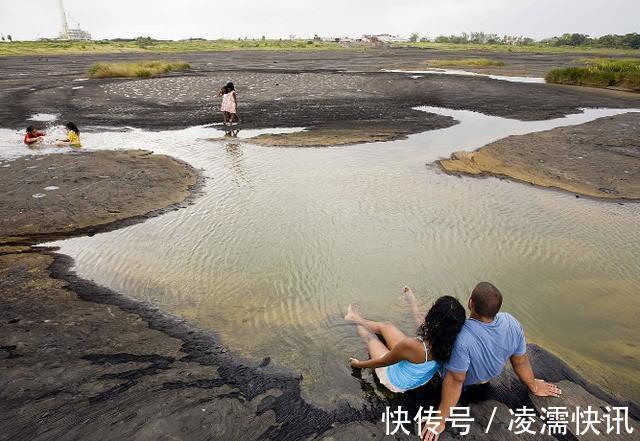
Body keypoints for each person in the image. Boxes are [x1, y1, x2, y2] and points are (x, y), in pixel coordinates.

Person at [422, 282, 562, 441]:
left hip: (466, 381)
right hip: (487, 376)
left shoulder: (462, 336)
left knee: (426, 332)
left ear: (470, 303)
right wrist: (534, 385)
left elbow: (455, 380)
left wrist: (440, 419)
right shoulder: (511, 322)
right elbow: (520, 361)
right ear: (497, 308)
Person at [346, 287, 466, 393]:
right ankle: (356, 318)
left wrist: (358, 364)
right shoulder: (449, 340)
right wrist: (412, 301)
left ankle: (354, 320)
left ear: (434, 317)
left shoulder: (412, 346)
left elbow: (384, 362)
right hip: (417, 374)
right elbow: (422, 324)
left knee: (371, 338)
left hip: (395, 380)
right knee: (386, 326)